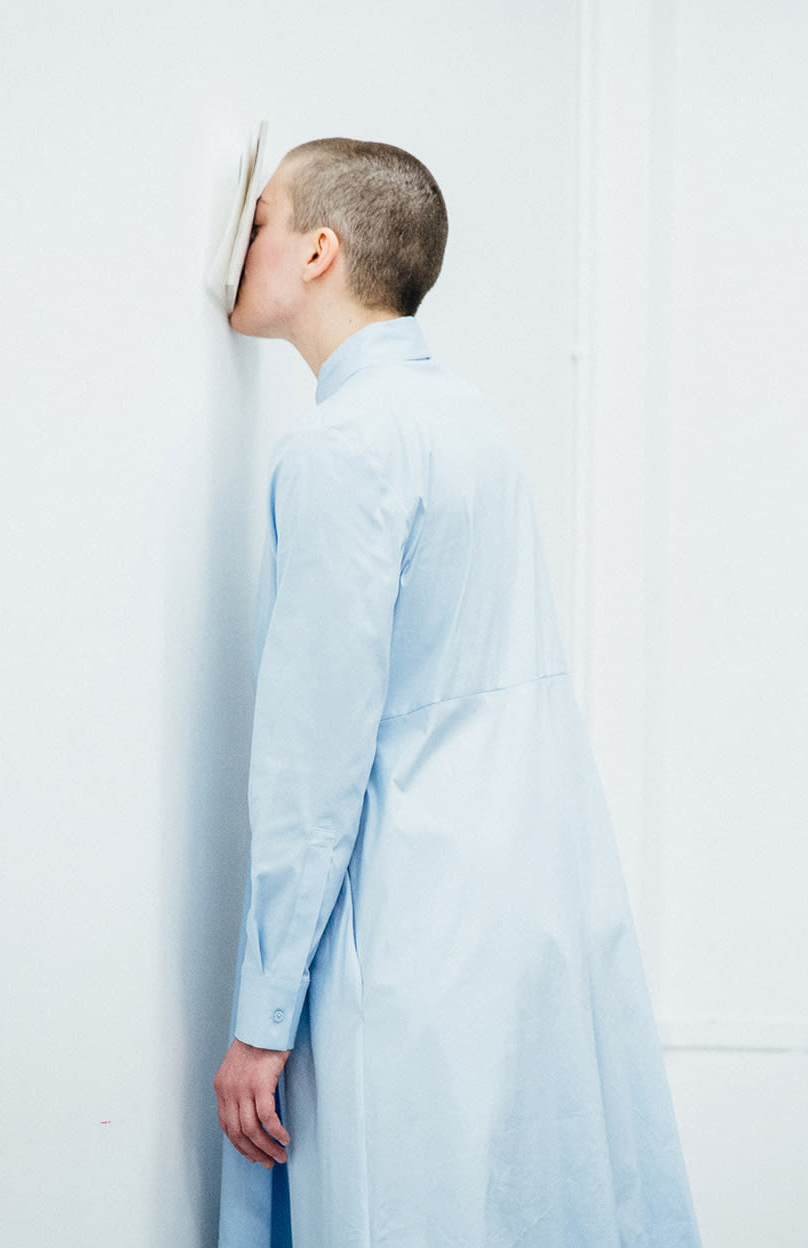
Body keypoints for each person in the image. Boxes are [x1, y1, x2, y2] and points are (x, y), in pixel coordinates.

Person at [213, 137, 700, 1247]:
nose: (243, 244)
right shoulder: (469, 422)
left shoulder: (339, 449)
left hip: (407, 928)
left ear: (320, 249)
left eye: (262, 220)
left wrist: (261, 1018)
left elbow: (312, 757)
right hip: (524, 903)